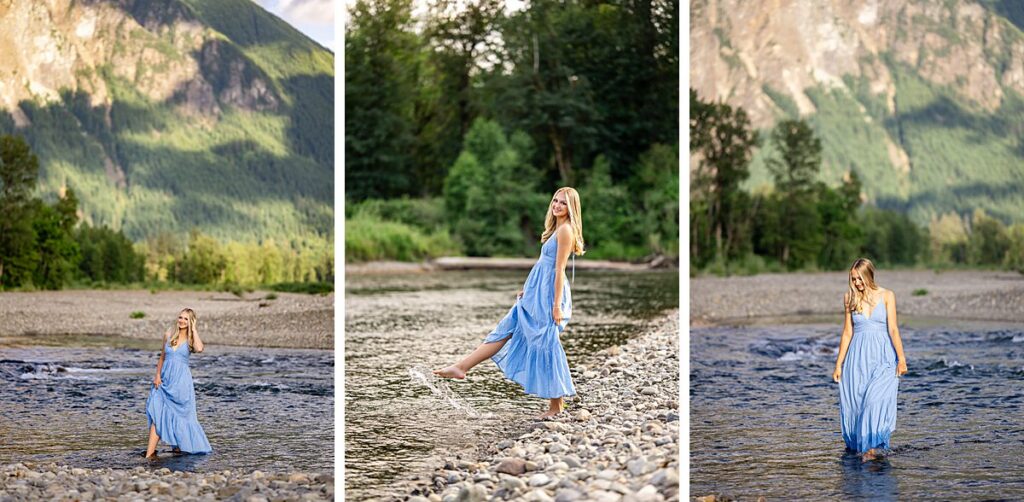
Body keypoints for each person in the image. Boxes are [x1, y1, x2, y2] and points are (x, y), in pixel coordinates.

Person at [434, 187, 585, 418]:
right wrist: (528, 288)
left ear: (571, 208)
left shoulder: (566, 231)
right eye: (555, 200)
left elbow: (558, 270)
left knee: (547, 343)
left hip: (548, 297)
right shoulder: (556, 229)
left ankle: (556, 406)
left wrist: (556, 306)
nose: (556, 205)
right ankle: (462, 367)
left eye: (562, 203)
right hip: (536, 292)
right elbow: (543, 265)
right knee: (505, 329)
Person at [833, 258, 908, 461]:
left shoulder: (887, 295)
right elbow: (847, 332)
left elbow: (893, 329)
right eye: (853, 279)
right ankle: (868, 454)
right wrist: (839, 364)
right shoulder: (849, 298)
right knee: (857, 407)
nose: (856, 283)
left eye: (859, 278)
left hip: (883, 358)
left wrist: (901, 359)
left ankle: (870, 452)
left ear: (868, 275)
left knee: (873, 402)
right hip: (857, 361)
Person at [145, 308, 212, 458]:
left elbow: (200, 349)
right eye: (180, 317)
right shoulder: (169, 334)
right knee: (157, 414)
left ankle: (179, 448)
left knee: (181, 416)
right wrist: (157, 376)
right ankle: (149, 455)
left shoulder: (190, 339)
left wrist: (193, 329)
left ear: (191, 322)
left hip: (181, 383)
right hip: (163, 382)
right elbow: (162, 357)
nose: (182, 321)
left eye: (186, 319)